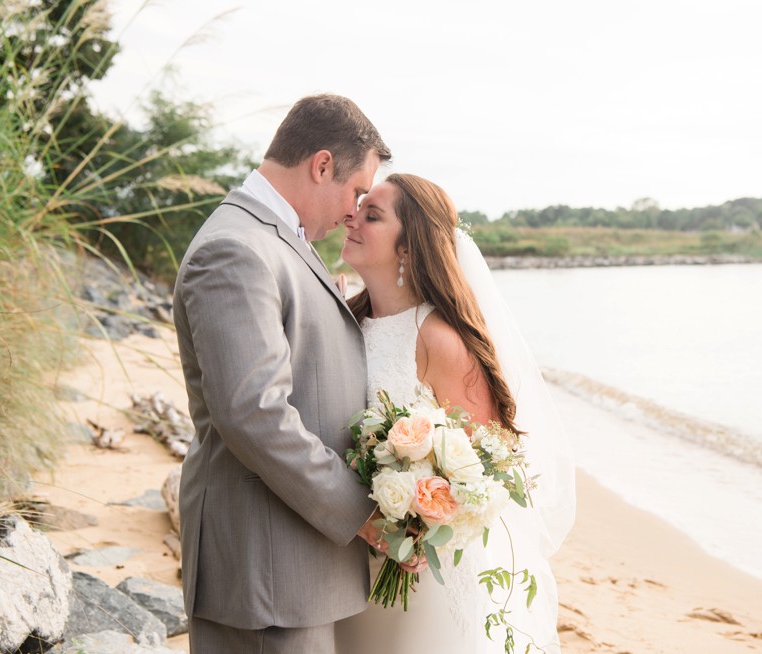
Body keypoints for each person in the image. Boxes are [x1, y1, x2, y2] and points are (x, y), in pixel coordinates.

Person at [172, 94, 394, 654]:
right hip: (265, 571)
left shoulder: (276, 236)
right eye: (356, 190)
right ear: (321, 165)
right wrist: (360, 512)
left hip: (290, 566)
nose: (354, 209)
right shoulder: (235, 248)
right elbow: (254, 413)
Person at [335, 173, 576, 653]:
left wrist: (419, 525)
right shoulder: (348, 318)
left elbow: (485, 463)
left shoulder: (438, 338)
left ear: (408, 248)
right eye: (358, 208)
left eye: (373, 215)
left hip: (422, 566)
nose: (352, 217)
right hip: (352, 553)